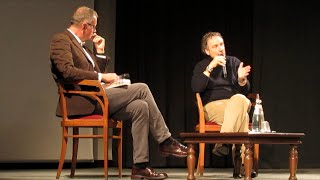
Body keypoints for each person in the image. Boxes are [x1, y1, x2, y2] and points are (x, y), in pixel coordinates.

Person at [50, 6, 187, 180]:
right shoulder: (61, 40)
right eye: (94, 27)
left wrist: (99, 52)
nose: (95, 32)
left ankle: (140, 167)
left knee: (140, 106)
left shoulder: (83, 46)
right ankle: (165, 141)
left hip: (97, 97)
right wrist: (103, 76)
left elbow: (94, 77)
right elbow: (66, 71)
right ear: (85, 25)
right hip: (83, 99)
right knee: (142, 88)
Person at [191, 32, 255, 176]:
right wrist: (210, 67)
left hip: (235, 104)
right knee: (242, 115)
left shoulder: (233, 62)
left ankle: (223, 141)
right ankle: (244, 164)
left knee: (240, 100)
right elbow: (196, 88)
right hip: (212, 106)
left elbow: (244, 91)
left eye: (222, 44)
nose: (221, 48)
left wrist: (241, 80)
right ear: (207, 51)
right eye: (215, 46)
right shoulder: (201, 65)